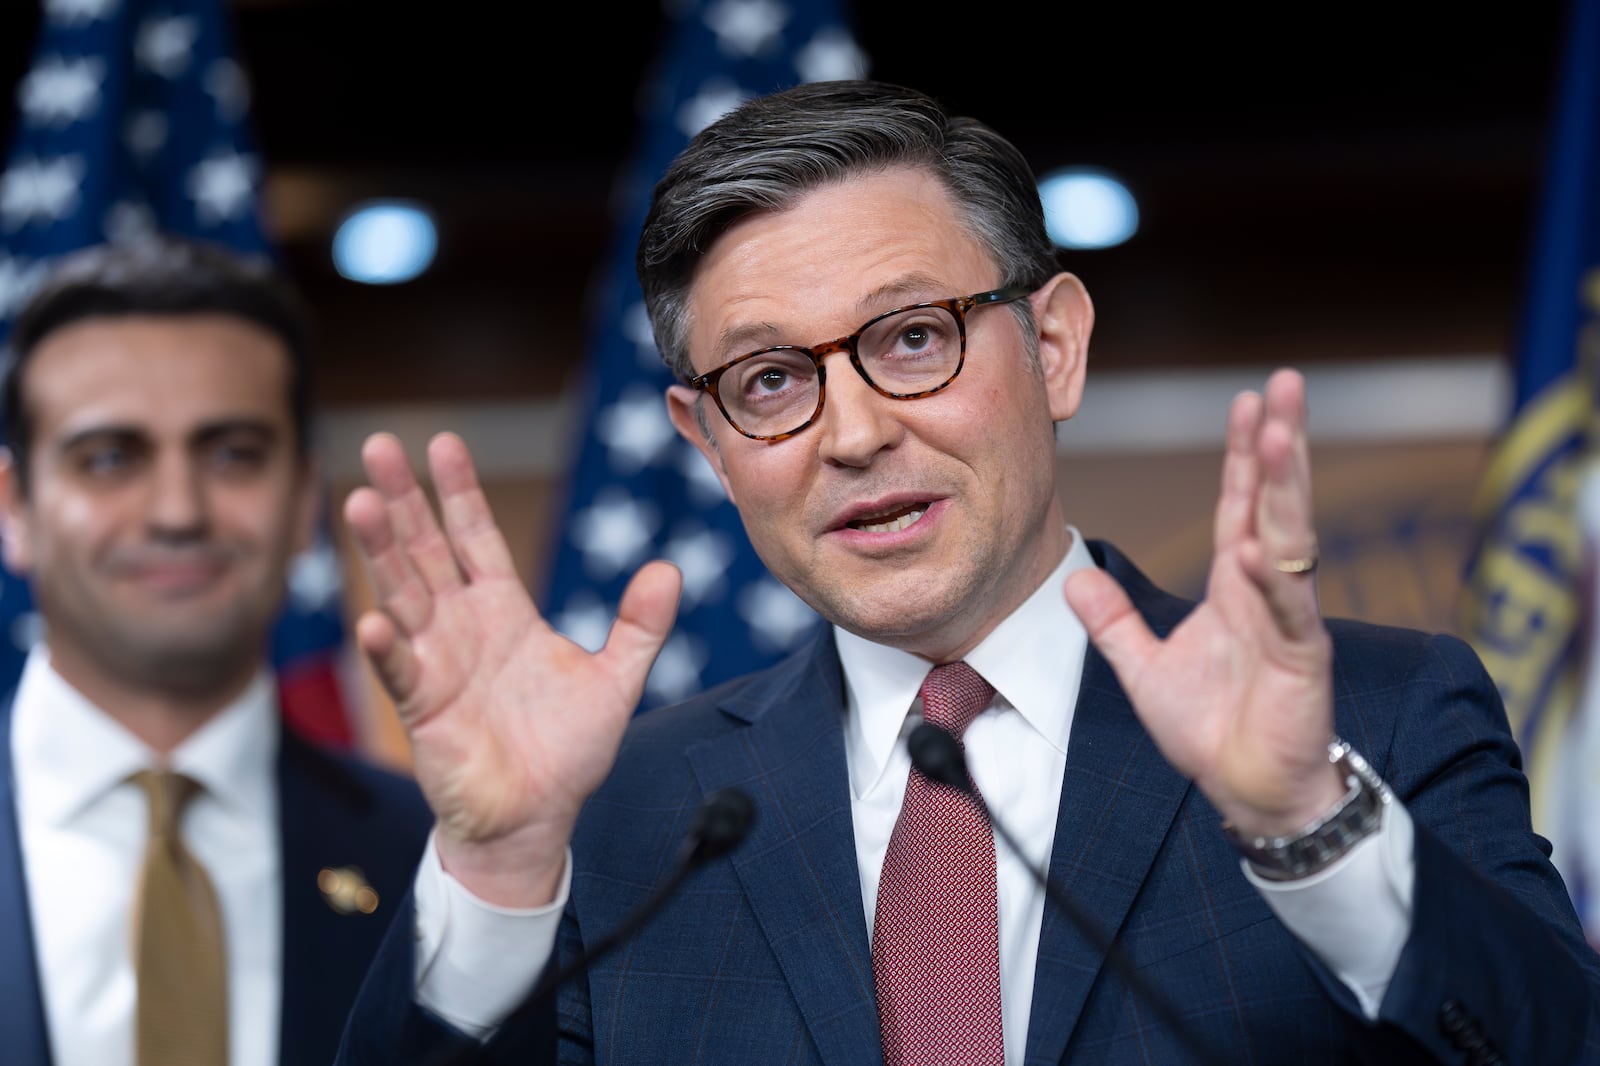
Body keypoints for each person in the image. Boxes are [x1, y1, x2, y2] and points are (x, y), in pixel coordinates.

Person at [335, 80, 1600, 1065]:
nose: (852, 431)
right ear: (707, 441)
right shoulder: (618, 817)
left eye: (910, 337)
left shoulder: (1374, 721)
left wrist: (1304, 827)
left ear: (1051, 345)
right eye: (770, 380)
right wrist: (496, 874)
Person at [0, 235, 435, 1066]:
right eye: (109, 458)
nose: (176, 510)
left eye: (234, 454)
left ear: (305, 496)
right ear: (14, 507)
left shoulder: (436, 858)